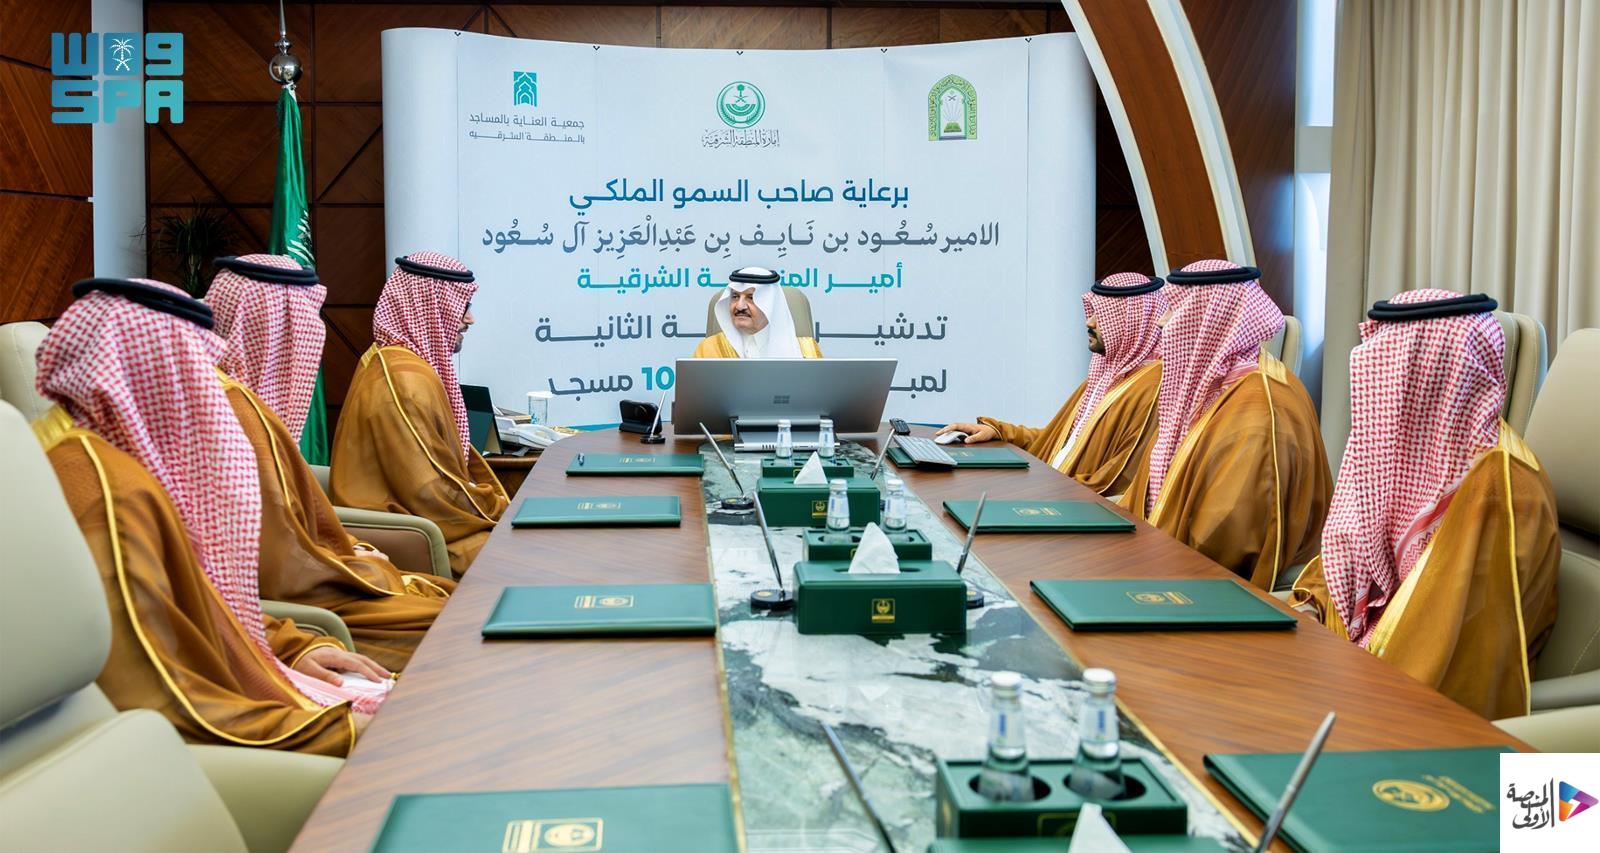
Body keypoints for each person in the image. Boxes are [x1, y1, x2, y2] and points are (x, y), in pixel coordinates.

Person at [33, 278, 390, 757]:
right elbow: (160, 694)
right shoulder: (111, 492)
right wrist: (345, 729)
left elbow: (199, 598)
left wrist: (288, 648)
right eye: (197, 371)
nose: (215, 390)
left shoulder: (99, 454)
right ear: (163, 377)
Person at [1291, 290, 1558, 720]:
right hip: (1356, 668)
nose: (1375, 390)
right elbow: (1347, 561)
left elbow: (1439, 658)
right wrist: (1307, 613)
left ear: (1425, 377)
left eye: (1388, 372)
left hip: (1412, 713)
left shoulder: (1499, 492)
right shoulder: (1395, 458)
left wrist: (1328, 679)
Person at [207, 255, 454, 671]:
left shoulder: (230, 402)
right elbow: (282, 565)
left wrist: (349, 549)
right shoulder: (242, 415)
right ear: (281, 329)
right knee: (457, 618)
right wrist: (358, 564)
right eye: (306, 321)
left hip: (306, 578)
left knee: (449, 598)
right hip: (297, 601)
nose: (315, 337)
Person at [1120, 260, 1331, 589]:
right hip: (1165, 559)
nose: (1162, 321)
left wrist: (1130, 565)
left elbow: (1222, 545)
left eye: (1174, 309)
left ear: (1208, 320)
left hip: (1205, 586)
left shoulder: (1260, 412)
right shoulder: (1211, 388)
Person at [331, 253, 509, 575]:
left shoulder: (396, 360)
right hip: (410, 531)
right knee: (524, 557)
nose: (470, 319)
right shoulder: (404, 383)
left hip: (425, 520)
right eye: (463, 306)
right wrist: (499, 506)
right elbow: (429, 492)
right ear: (431, 307)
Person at [936, 272, 1166, 496]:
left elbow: (1116, 480)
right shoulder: (1106, 375)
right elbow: (1064, 444)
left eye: (1103, 315)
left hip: (1074, 503)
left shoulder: (1150, 389)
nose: (1089, 322)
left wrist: (1038, 487)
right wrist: (1000, 431)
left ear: (1133, 322)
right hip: (1054, 487)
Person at [691, 266, 823, 358]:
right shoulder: (708, 350)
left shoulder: (806, 351)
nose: (740, 306)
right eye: (735, 297)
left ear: (770, 305)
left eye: (751, 297)